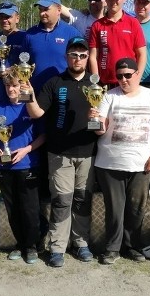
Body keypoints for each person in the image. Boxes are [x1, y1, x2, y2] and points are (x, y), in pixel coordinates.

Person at [23, 36, 98, 268]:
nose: (78, 58)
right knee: (62, 200)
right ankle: (57, 246)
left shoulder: (96, 85)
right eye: (74, 54)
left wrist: (98, 121)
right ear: (66, 56)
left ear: (87, 58)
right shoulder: (54, 82)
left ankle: (81, 243)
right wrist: (28, 93)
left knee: (82, 200)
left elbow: (103, 123)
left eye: (82, 55)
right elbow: (36, 113)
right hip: (59, 153)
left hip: (88, 152)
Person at [91, 57, 150, 265]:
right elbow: (100, 130)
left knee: (136, 207)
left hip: (142, 164)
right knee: (115, 209)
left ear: (137, 75)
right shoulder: (109, 96)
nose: (123, 80)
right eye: (119, 76)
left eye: (127, 76)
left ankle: (133, 246)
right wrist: (94, 121)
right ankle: (112, 248)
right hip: (110, 163)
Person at [0, 74, 45, 264]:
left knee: (30, 208)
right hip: (4, 165)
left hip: (27, 164)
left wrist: (27, 149)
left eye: (16, 85)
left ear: (23, 86)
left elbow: (43, 136)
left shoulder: (31, 108)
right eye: (8, 86)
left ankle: (32, 246)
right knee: (12, 208)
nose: (11, 89)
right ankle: (19, 244)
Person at [88, 0, 147, 89]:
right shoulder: (97, 25)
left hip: (128, 83)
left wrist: (136, 79)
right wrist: (95, 83)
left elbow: (142, 54)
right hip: (104, 84)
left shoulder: (133, 23)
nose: (114, 1)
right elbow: (93, 56)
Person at [23, 0, 82, 92]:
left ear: (58, 10)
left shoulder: (72, 33)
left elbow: (82, 62)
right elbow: (23, 63)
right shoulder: (30, 34)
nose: (42, 13)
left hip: (63, 92)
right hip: (36, 92)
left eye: (46, 9)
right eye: (40, 10)